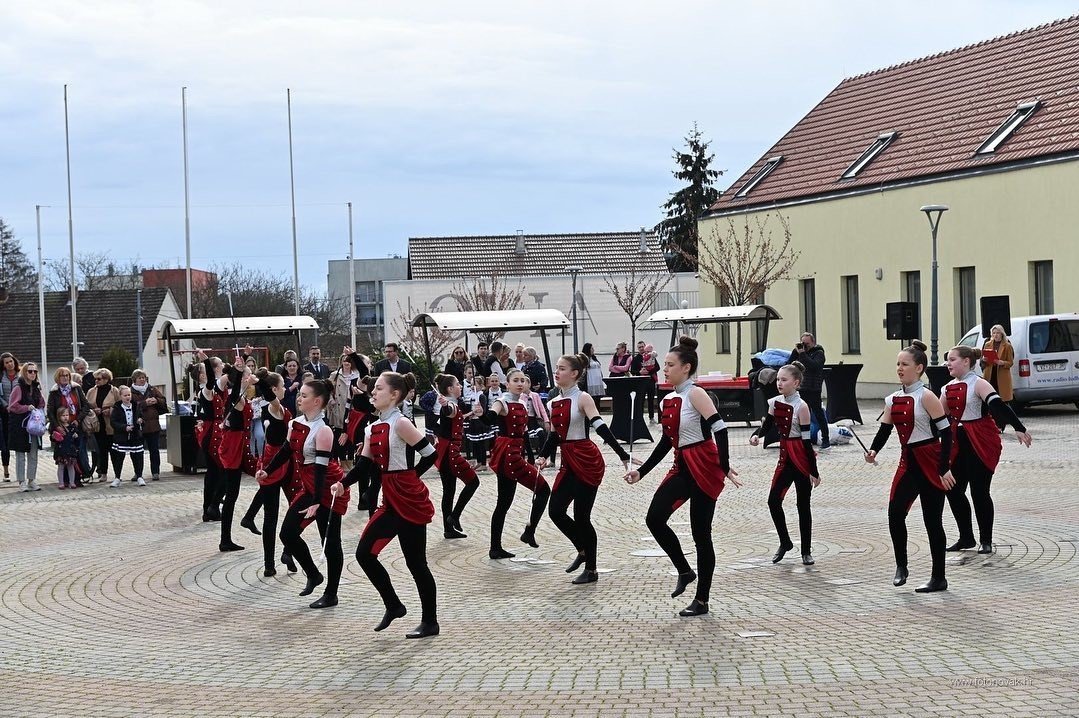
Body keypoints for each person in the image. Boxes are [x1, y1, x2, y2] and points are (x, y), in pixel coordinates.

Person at [624, 337, 742, 617]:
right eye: (664, 364)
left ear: (686, 368)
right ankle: (684, 570)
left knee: (701, 534)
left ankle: (702, 600)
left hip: (703, 463)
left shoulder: (696, 394)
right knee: (654, 518)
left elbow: (721, 429)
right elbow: (666, 441)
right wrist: (641, 471)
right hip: (682, 465)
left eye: (670, 365)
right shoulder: (669, 399)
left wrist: (724, 465)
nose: (664, 369)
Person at [334, 371, 440, 638]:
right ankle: (393, 605)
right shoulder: (371, 428)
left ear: (394, 395)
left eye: (378, 389)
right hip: (389, 499)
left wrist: (410, 477)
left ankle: (430, 621)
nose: (373, 392)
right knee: (364, 554)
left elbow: (430, 453)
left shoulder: (402, 423)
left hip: (409, 498)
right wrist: (343, 484)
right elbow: (363, 465)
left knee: (417, 564)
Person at [865, 340, 955, 593]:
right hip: (908, 461)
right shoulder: (892, 399)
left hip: (930, 459)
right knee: (895, 514)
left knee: (932, 521)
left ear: (919, 368)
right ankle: (901, 566)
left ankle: (939, 577)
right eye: (897, 364)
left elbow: (946, 433)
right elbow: (885, 428)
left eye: (905, 364)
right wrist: (873, 450)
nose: (899, 368)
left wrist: (944, 467)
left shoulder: (927, 396)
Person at [538, 353, 633, 584]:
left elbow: (600, 427)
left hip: (586, 459)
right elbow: (554, 436)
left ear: (575, 374)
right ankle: (582, 550)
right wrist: (542, 456)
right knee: (556, 511)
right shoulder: (552, 402)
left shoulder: (583, 398)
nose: (557, 372)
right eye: (556, 368)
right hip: (567, 461)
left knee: (582, 517)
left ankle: (591, 569)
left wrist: (622, 454)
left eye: (562, 368)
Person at [257, 378, 350, 609]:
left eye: (304, 396)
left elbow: (320, 470)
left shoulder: (324, 431)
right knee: (287, 534)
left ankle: (331, 593)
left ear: (317, 401)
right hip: (308, 486)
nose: (299, 398)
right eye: (300, 395)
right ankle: (313, 574)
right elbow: (286, 451)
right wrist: (267, 471)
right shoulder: (295, 423)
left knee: (330, 542)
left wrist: (318, 501)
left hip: (326, 487)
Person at [943, 345, 1032, 555]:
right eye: (948, 360)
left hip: (980, 441)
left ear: (966, 361)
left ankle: (986, 540)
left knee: (979, 492)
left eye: (952, 359)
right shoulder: (946, 388)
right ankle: (966, 537)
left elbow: (998, 405)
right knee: (953, 490)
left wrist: (1018, 427)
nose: (948, 364)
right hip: (958, 443)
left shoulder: (979, 383)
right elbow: (938, 417)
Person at [749, 361, 821, 565]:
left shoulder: (802, 407)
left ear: (796, 383)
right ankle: (785, 541)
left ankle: (806, 551)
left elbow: (807, 442)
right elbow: (769, 424)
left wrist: (813, 471)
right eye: (778, 379)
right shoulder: (774, 402)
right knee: (773, 501)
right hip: (784, 457)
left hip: (800, 456)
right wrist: (757, 435)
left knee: (803, 506)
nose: (779, 383)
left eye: (784, 379)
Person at [484, 368, 552, 559]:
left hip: (516, 454)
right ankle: (527, 532)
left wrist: (531, 456)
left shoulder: (521, 402)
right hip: (508, 455)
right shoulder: (502, 402)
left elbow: (523, 434)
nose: (520, 383)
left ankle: (496, 547)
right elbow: (490, 418)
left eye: (523, 380)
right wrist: (482, 414)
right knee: (543, 490)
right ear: (508, 383)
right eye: (516, 380)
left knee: (504, 502)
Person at [240, 370, 300, 576]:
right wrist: (260, 383)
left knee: (286, 513)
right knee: (274, 516)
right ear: (274, 389)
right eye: (282, 385)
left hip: (276, 461)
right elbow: (269, 396)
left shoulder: (268, 408)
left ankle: (282, 556)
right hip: (277, 463)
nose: (285, 389)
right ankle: (272, 562)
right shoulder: (275, 408)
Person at [428, 374, 482, 539]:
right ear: (450, 389)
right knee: (473, 482)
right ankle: (454, 516)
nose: (460, 386)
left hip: (444, 453)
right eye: (457, 384)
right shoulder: (450, 404)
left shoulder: (454, 404)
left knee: (449, 491)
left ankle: (448, 528)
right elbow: (449, 412)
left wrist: (471, 413)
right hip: (451, 453)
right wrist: (445, 406)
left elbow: (453, 417)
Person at [787, 333, 829, 449]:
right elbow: (789, 365)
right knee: (802, 416)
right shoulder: (800, 353)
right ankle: (805, 440)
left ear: (813, 342)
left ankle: (826, 439)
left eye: (807, 344)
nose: (804, 346)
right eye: (803, 343)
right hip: (802, 388)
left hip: (814, 388)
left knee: (818, 414)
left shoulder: (819, 353)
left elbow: (813, 366)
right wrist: (795, 352)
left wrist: (802, 354)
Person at [8, 362, 46, 491]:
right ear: (24, 372)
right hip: (20, 425)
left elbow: (41, 402)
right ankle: (21, 482)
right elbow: (12, 406)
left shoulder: (36, 388)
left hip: (34, 426)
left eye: (35, 371)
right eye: (30, 371)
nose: (33, 374)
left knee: (33, 453)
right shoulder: (18, 388)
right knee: (20, 455)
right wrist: (26, 407)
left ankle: (32, 480)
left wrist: (40, 408)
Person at [130, 369, 169, 481]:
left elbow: (163, 400)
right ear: (134, 380)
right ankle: (138, 473)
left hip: (153, 426)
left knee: (154, 450)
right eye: (140, 378)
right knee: (137, 451)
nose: (142, 380)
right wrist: (144, 404)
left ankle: (155, 472)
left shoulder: (152, 389)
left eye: (144, 377)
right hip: (139, 427)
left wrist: (156, 400)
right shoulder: (131, 392)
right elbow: (130, 405)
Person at [86, 369, 121, 482]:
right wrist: (93, 410)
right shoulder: (91, 391)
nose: (96, 381)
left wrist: (110, 410)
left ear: (106, 379)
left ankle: (117, 475)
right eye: (95, 379)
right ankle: (103, 473)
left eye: (99, 379)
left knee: (114, 451)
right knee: (101, 451)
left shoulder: (114, 391)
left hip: (111, 426)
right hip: (97, 425)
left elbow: (120, 406)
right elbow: (86, 406)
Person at [109, 385, 147, 487]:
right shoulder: (117, 407)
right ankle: (117, 477)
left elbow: (142, 419)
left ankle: (139, 476)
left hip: (135, 436)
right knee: (118, 457)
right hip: (121, 437)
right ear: (120, 396)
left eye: (129, 395)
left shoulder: (136, 405)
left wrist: (140, 421)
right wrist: (124, 427)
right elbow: (113, 422)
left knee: (138, 456)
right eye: (125, 395)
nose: (127, 397)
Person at [981, 325, 1015, 414]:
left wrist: (1002, 362)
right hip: (990, 375)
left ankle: (1002, 422)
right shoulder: (987, 344)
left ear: (1002, 334)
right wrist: (984, 360)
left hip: (1002, 377)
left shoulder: (1007, 346)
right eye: (994, 333)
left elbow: (1010, 362)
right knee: (990, 399)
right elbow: (983, 362)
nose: (995, 335)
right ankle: (993, 421)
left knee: (1002, 401)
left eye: (998, 333)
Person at [0, 352, 20, 480]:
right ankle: (6, 471)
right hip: (4, 412)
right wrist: (6, 405)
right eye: (6, 362)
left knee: (19, 442)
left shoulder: (21, 376)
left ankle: (21, 472)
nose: (9, 364)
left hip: (18, 412)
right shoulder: (1, 377)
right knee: (5, 444)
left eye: (11, 361)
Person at [51, 407, 81, 489]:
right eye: (63, 415)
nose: (65, 417)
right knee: (61, 467)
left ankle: (72, 482)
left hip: (70, 450)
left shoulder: (72, 427)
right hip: (61, 451)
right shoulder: (58, 428)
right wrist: (55, 437)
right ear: (59, 417)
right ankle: (61, 483)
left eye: (67, 415)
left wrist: (76, 437)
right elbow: (52, 438)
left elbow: (77, 441)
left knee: (71, 467)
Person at [631, 342, 659, 422]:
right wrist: (639, 372)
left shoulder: (651, 355)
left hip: (650, 380)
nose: (641, 348)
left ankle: (651, 417)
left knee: (651, 399)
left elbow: (657, 367)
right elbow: (632, 371)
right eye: (639, 347)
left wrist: (648, 372)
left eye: (642, 346)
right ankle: (640, 417)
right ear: (637, 348)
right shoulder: (636, 358)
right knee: (640, 400)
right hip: (641, 381)